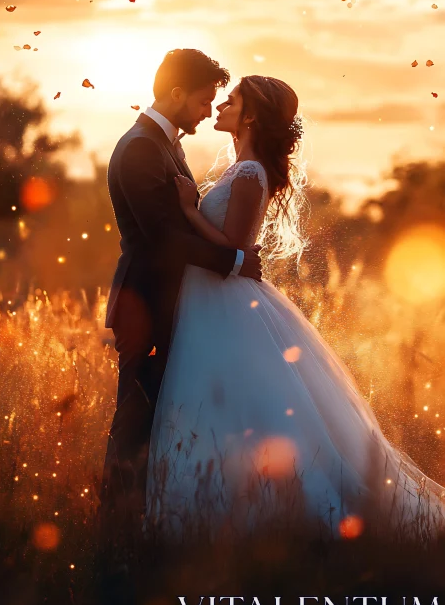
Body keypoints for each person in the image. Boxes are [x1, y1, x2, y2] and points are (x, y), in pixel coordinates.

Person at [144, 74, 445, 544]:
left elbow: (233, 246)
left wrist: (188, 211)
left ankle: (260, 513)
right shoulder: (243, 167)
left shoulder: (250, 172)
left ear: (250, 116)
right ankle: (215, 510)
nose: (220, 105)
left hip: (223, 300)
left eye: (231, 100)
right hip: (208, 298)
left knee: (229, 400)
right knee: (222, 402)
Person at [97, 50, 262, 574]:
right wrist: (233, 261)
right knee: (136, 416)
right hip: (145, 302)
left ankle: (152, 525)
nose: (208, 109)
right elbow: (163, 237)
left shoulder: (163, 143)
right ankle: (115, 538)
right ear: (175, 94)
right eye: (203, 99)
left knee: (160, 413)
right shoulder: (141, 148)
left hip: (169, 302)